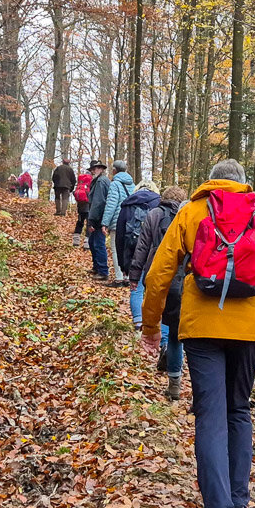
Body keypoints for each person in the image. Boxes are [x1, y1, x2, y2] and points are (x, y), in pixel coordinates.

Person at [140, 159, 255, 508]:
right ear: (243, 184)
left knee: (210, 413)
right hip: (248, 329)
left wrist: (149, 330)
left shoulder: (192, 211)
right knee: (238, 410)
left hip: (202, 329)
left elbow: (158, 275)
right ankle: (239, 504)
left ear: (211, 179)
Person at [129, 185, 187, 400]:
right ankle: (178, 378)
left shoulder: (153, 214)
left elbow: (142, 247)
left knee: (164, 319)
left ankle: (173, 380)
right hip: (183, 276)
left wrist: (135, 275)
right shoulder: (187, 214)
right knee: (177, 331)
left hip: (157, 271)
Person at [115, 179, 160, 293]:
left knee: (136, 289)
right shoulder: (159, 203)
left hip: (132, 250)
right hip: (153, 250)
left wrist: (122, 264)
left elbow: (119, 237)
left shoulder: (128, 204)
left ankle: (137, 312)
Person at [100, 162, 135, 286]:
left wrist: (105, 223)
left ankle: (119, 278)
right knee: (128, 250)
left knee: (116, 250)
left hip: (118, 221)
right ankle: (128, 277)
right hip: (131, 221)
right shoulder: (133, 184)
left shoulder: (115, 184)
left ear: (115, 170)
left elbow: (111, 204)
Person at [85, 162, 112, 278]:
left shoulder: (101, 181)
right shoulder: (99, 181)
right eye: (92, 169)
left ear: (101, 169)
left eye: (95, 169)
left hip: (99, 218)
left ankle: (103, 271)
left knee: (98, 244)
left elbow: (98, 202)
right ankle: (97, 267)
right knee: (92, 242)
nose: (92, 171)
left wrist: (92, 220)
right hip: (99, 217)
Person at [74, 163, 97, 246]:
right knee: (88, 223)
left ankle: (76, 240)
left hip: (80, 205)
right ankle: (87, 243)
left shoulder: (81, 180)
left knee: (80, 221)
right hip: (88, 204)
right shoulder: (92, 180)